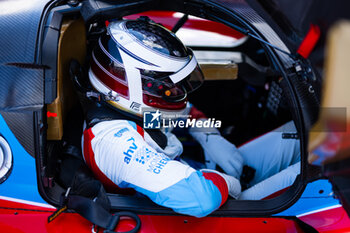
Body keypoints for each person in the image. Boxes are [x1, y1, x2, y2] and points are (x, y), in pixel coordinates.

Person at [78, 18, 300, 218]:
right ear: (135, 87)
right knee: (315, 174)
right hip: (213, 207)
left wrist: (209, 136)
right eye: (168, 87)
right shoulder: (114, 142)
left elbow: (184, 113)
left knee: (307, 135)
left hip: (200, 174)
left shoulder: (130, 110)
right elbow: (200, 199)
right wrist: (225, 183)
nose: (177, 91)